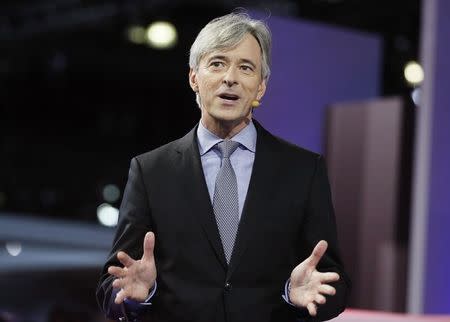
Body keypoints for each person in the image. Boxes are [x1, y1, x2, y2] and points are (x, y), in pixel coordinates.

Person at [96, 11, 350, 322]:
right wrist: (136, 297)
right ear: (194, 78)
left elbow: (333, 281)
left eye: (246, 67)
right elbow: (111, 286)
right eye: (217, 64)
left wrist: (294, 293)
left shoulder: (304, 171)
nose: (230, 77)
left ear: (260, 88)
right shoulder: (151, 171)